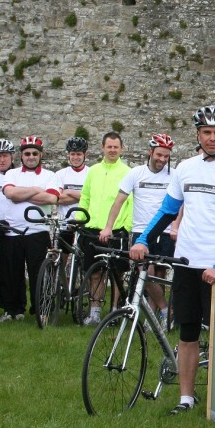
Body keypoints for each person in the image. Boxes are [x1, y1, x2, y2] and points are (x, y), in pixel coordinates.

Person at [132, 105, 215, 415]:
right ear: (198, 135)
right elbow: (168, 211)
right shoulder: (186, 168)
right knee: (187, 333)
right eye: (206, 132)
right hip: (185, 264)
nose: (212, 138)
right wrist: (143, 238)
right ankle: (186, 398)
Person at [102, 134, 177, 326]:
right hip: (141, 231)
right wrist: (108, 227)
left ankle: (152, 319)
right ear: (150, 152)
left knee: (159, 274)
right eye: (159, 155)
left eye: (166, 156)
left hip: (166, 231)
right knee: (145, 271)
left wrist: (176, 226)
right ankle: (165, 309)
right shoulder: (136, 173)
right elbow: (118, 202)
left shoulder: (174, 175)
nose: (162, 159)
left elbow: (183, 204)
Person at [0, 136, 62, 322]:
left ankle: (41, 309)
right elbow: (10, 193)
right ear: (21, 156)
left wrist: (23, 194)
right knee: (11, 274)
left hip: (37, 231)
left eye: (35, 153)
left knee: (39, 274)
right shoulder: (12, 174)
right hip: (12, 231)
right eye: (27, 154)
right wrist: (36, 190)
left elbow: (52, 199)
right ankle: (13, 310)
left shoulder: (51, 175)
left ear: (40, 155)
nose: (31, 157)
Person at [79, 132, 132, 325]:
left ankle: (116, 311)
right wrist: (80, 219)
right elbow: (85, 196)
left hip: (117, 229)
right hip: (93, 228)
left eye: (115, 147)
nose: (112, 150)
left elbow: (132, 202)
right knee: (96, 273)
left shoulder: (127, 172)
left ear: (121, 149)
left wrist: (126, 226)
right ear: (102, 148)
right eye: (109, 146)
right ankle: (94, 312)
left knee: (117, 273)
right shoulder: (93, 171)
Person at [54, 137, 89, 252]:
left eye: (78, 154)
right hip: (65, 224)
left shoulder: (91, 173)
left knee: (84, 262)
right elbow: (57, 198)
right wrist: (84, 196)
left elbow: (95, 197)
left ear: (85, 154)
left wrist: (68, 192)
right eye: (72, 154)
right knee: (61, 259)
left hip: (85, 224)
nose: (75, 157)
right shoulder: (60, 174)